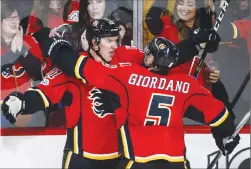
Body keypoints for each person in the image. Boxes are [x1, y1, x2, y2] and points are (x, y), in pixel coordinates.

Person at [3, 24, 240, 169]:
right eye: (109, 40)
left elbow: (162, 58)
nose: (115, 46)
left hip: (120, 158)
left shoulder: (126, 62)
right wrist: (21, 102)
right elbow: (42, 94)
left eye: (116, 40)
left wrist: (192, 43)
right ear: (93, 43)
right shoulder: (71, 72)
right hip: (83, 159)